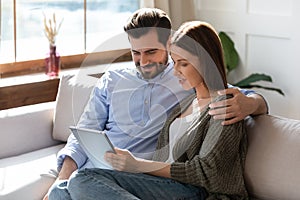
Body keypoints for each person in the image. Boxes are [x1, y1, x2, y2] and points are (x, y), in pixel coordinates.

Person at [45, 8, 264, 199]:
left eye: (151, 51)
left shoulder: (186, 81)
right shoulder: (114, 80)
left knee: (81, 181)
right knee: (60, 191)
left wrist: (252, 104)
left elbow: (236, 96)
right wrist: (61, 176)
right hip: (112, 174)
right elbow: (85, 130)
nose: (143, 61)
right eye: (136, 53)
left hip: (150, 177)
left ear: (168, 44)